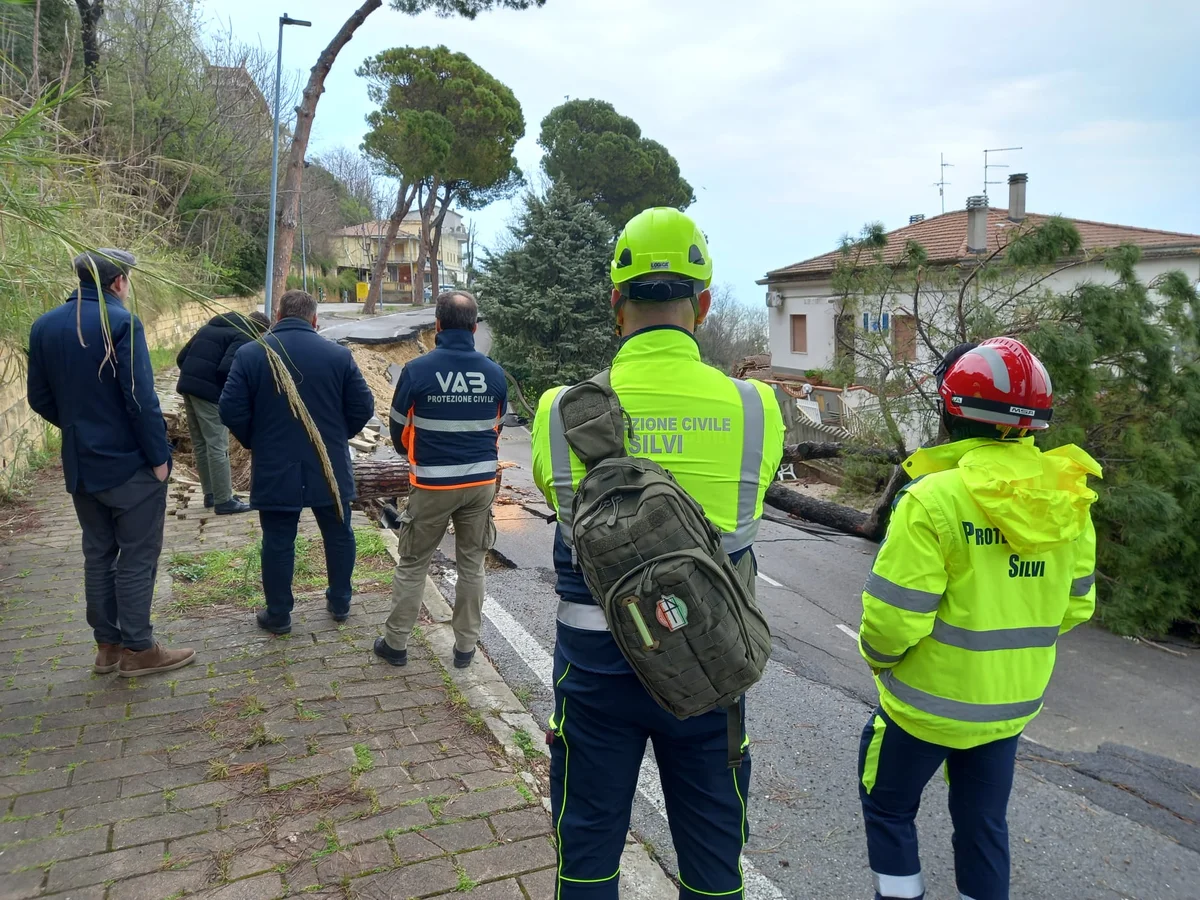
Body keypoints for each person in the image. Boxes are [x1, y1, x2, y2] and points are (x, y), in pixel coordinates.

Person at [530, 208, 784, 899]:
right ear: (702, 306)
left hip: (593, 679)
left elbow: (560, 509)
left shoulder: (560, 412)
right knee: (711, 874)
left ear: (616, 306)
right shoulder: (758, 408)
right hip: (707, 674)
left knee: (585, 860)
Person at [856, 338, 1102, 900]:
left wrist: (880, 659)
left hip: (924, 706)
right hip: (1009, 707)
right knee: (983, 823)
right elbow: (1076, 607)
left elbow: (893, 620)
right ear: (1033, 426)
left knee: (889, 808)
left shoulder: (932, 498)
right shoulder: (1069, 497)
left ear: (950, 411)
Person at [27, 249, 195, 677]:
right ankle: (140, 648)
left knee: (98, 554)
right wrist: (159, 458)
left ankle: (108, 647)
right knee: (138, 556)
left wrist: (80, 430)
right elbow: (141, 398)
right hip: (128, 466)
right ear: (118, 282)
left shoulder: (44, 326)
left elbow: (40, 399)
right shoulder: (121, 322)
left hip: (82, 467)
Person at [219, 290, 375, 634]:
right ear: (315, 319)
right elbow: (364, 406)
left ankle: (278, 614)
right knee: (338, 532)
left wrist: (255, 440)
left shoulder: (251, 353)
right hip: (328, 463)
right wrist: (336, 437)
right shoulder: (338, 356)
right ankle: (340, 602)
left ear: (278, 315)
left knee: (277, 539)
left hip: (275, 464)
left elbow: (229, 409)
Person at [374, 290, 507, 669]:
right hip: (480, 486)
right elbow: (495, 432)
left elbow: (398, 431)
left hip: (432, 486)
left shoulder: (417, 370)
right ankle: (465, 648)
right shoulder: (494, 373)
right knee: (472, 565)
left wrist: (417, 455)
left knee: (413, 563)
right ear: (474, 328)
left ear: (437, 326)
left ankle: (396, 644)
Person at [175, 310, 270, 513]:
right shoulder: (244, 334)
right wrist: (225, 393)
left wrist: (195, 379)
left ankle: (211, 494)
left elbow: (181, 357)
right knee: (218, 444)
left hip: (187, 386)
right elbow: (227, 367)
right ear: (259, 331)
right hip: (209, 393)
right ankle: (224, 500)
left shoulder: (210, 327)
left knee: (201, 443)